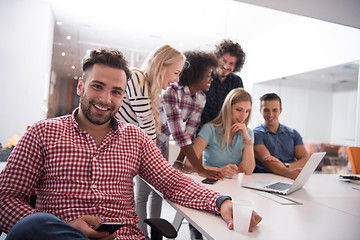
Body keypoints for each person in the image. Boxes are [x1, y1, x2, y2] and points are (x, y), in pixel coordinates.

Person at [0, 48, 261, 240]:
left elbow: (172, 182)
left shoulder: (134, 138)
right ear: (81, 86)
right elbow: (6, 199)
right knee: (30, 229)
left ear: (123, 96)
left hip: (124, 238)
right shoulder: (42, 132)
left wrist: (221, 202)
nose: (105, 98)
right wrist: (63, 226)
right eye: (97, 87)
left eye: (116, 91)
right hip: (59, 236)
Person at [115, 45, 185, 238]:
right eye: (176, 72)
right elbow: (147, 126)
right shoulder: (137, 78)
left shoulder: (150, 89)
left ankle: (142, 234)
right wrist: (160, 166)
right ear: (161, 66)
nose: (177, 79)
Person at [157, 50, 222, 178]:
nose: (211, 79)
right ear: (196, 75)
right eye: (208, 75)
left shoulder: (200, 98)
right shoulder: (171, 92)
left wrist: (178, 161)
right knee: (143, 191)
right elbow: (179, 134)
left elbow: (189, 133)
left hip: (163, 144)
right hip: (150, 141)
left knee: (158, 189)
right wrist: (200, 169)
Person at [184, 88, 255, 177]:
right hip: (209, 180)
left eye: (247, 111)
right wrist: (219, 170)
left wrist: (247, 140)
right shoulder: (209, 129)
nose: (243, 116)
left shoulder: (247, 133)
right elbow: (188, 164)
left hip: (232, 184)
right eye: (238, 110)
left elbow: (248, 171)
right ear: (228, 108)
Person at [253, 93, 309, 180]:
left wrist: (286, 166)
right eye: (266, 110)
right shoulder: (256, 134)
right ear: (261, 111)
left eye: (274, 110)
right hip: (264, 179)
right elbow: (267, 161)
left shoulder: (293, 134)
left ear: (280, 111)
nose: (270, 115)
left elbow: (305, 159)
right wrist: (289, 172)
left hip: (290, 178)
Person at [200, 39, 246, 128]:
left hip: (224, 132)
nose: (226, 66)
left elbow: (239, 108)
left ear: (236, 66)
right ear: (217, 58)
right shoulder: (205, 76)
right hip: (201, 130)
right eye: (224, 61)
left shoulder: (237, 82)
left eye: (231, 63)